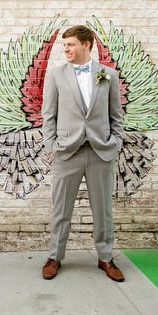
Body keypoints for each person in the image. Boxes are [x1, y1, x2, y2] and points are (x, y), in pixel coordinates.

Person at [40, 25, 125, 282]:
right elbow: (48, 115)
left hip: (101, 151)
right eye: (64, 45)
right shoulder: (55, 75)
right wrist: (51, 147)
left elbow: (116, 116)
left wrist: (115, 142)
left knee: (103, 209)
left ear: (87, 44)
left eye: (71, 44)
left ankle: (106, 258)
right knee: (61, 209)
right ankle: (55, 256)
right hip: (67, 151)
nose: (66, 49)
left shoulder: (107, 75)